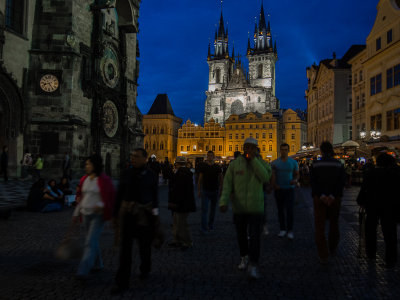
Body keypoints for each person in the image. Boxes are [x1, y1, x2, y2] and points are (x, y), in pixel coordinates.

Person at [219, 137, 271, 279]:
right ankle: (244, 256)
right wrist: (223, 201)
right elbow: (228, 184)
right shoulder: (235, 164)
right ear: (243, 148)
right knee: (241, 235)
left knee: (255, 237)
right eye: (246, 147)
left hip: (256, 207)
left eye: (251, 148)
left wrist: (254, 161)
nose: (248, 150)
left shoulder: (261, 163)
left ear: (256, 149)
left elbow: (266, 177)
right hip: (239, 207)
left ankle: (253, 263)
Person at [111, 148, 159, 294]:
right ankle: (122, 281)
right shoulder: (126, 173)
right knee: (125, 250)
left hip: (145, 215)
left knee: (144, 247)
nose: (133, 158)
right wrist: (115, 214)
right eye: (132, 156)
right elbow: (119, 194)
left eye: (137, 156)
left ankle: (145, 269)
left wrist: (155, 215)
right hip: (129, 215)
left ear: (145, 159)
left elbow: (154, 197)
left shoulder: (151, 175)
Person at [72, 154, 116, 280]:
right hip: (86, 213)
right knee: (93, 240)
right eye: (86, 164)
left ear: (95, 165)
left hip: (98, 215)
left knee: (89, 242)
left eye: (88, 164)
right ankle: (98, 264)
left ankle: (83, 270)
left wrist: (101, 204)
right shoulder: (84, 179)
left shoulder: (104, 180)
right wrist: (76, 213)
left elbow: (110, 196)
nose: (86, 166)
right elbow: (80, 196)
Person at [356, 153, 400, 268]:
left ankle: (371, 254)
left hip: (372, 206)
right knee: (390, 233)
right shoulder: (395, 174)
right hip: (390, 207)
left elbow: (364, 188)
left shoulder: (371, 173)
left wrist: (360, 200)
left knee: (370, 230)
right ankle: (391, 258)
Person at [310, 141, 345, 265]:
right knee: (334, 224)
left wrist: (322, 195)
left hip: (319, 199)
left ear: (321, 151)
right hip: (335, 199)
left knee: (320, 227)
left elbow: (313, 183)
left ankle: (323, 254)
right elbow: (341, 183)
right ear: (331, 150)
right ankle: (333, 247)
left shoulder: (315, 165)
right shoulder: (339, 165)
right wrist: (332, 195)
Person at [271, 143, 299, 240]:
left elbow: (296, 174)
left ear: (288, 150)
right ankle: (282, 229)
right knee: (280, 211)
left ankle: (290, 230)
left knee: (290, 210)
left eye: (285, 149)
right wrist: (274, 185)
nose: (284, 151)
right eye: (282, 149)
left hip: (289, 189)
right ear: (280, 150)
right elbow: (273, 175)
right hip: (279, 189)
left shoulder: (293, 163)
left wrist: (295, 180)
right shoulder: (275, 163)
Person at [168, 156, 196, 249]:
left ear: (177, 164)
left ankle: (187, 241)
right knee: (176, 221)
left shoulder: (182, 173)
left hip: (182, 203)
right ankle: (177, 240)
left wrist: (175, 201)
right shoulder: (184, 172)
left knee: (182, 223)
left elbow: (179, 190)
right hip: (181, 202)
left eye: (176, 163)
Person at [197, 151, 223, 233]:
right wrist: (199, 190)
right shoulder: (203, 166)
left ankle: (210, 225)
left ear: (214, 157)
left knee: (212, 210)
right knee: (204, 210)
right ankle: (204, 228)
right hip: (205, 190)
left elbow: (221, 179)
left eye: (211, 155)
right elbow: (200, 179)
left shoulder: (217, 167)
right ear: (207, 157)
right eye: (208, 155)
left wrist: (221, 189)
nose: (210, 157)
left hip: (215, 190)